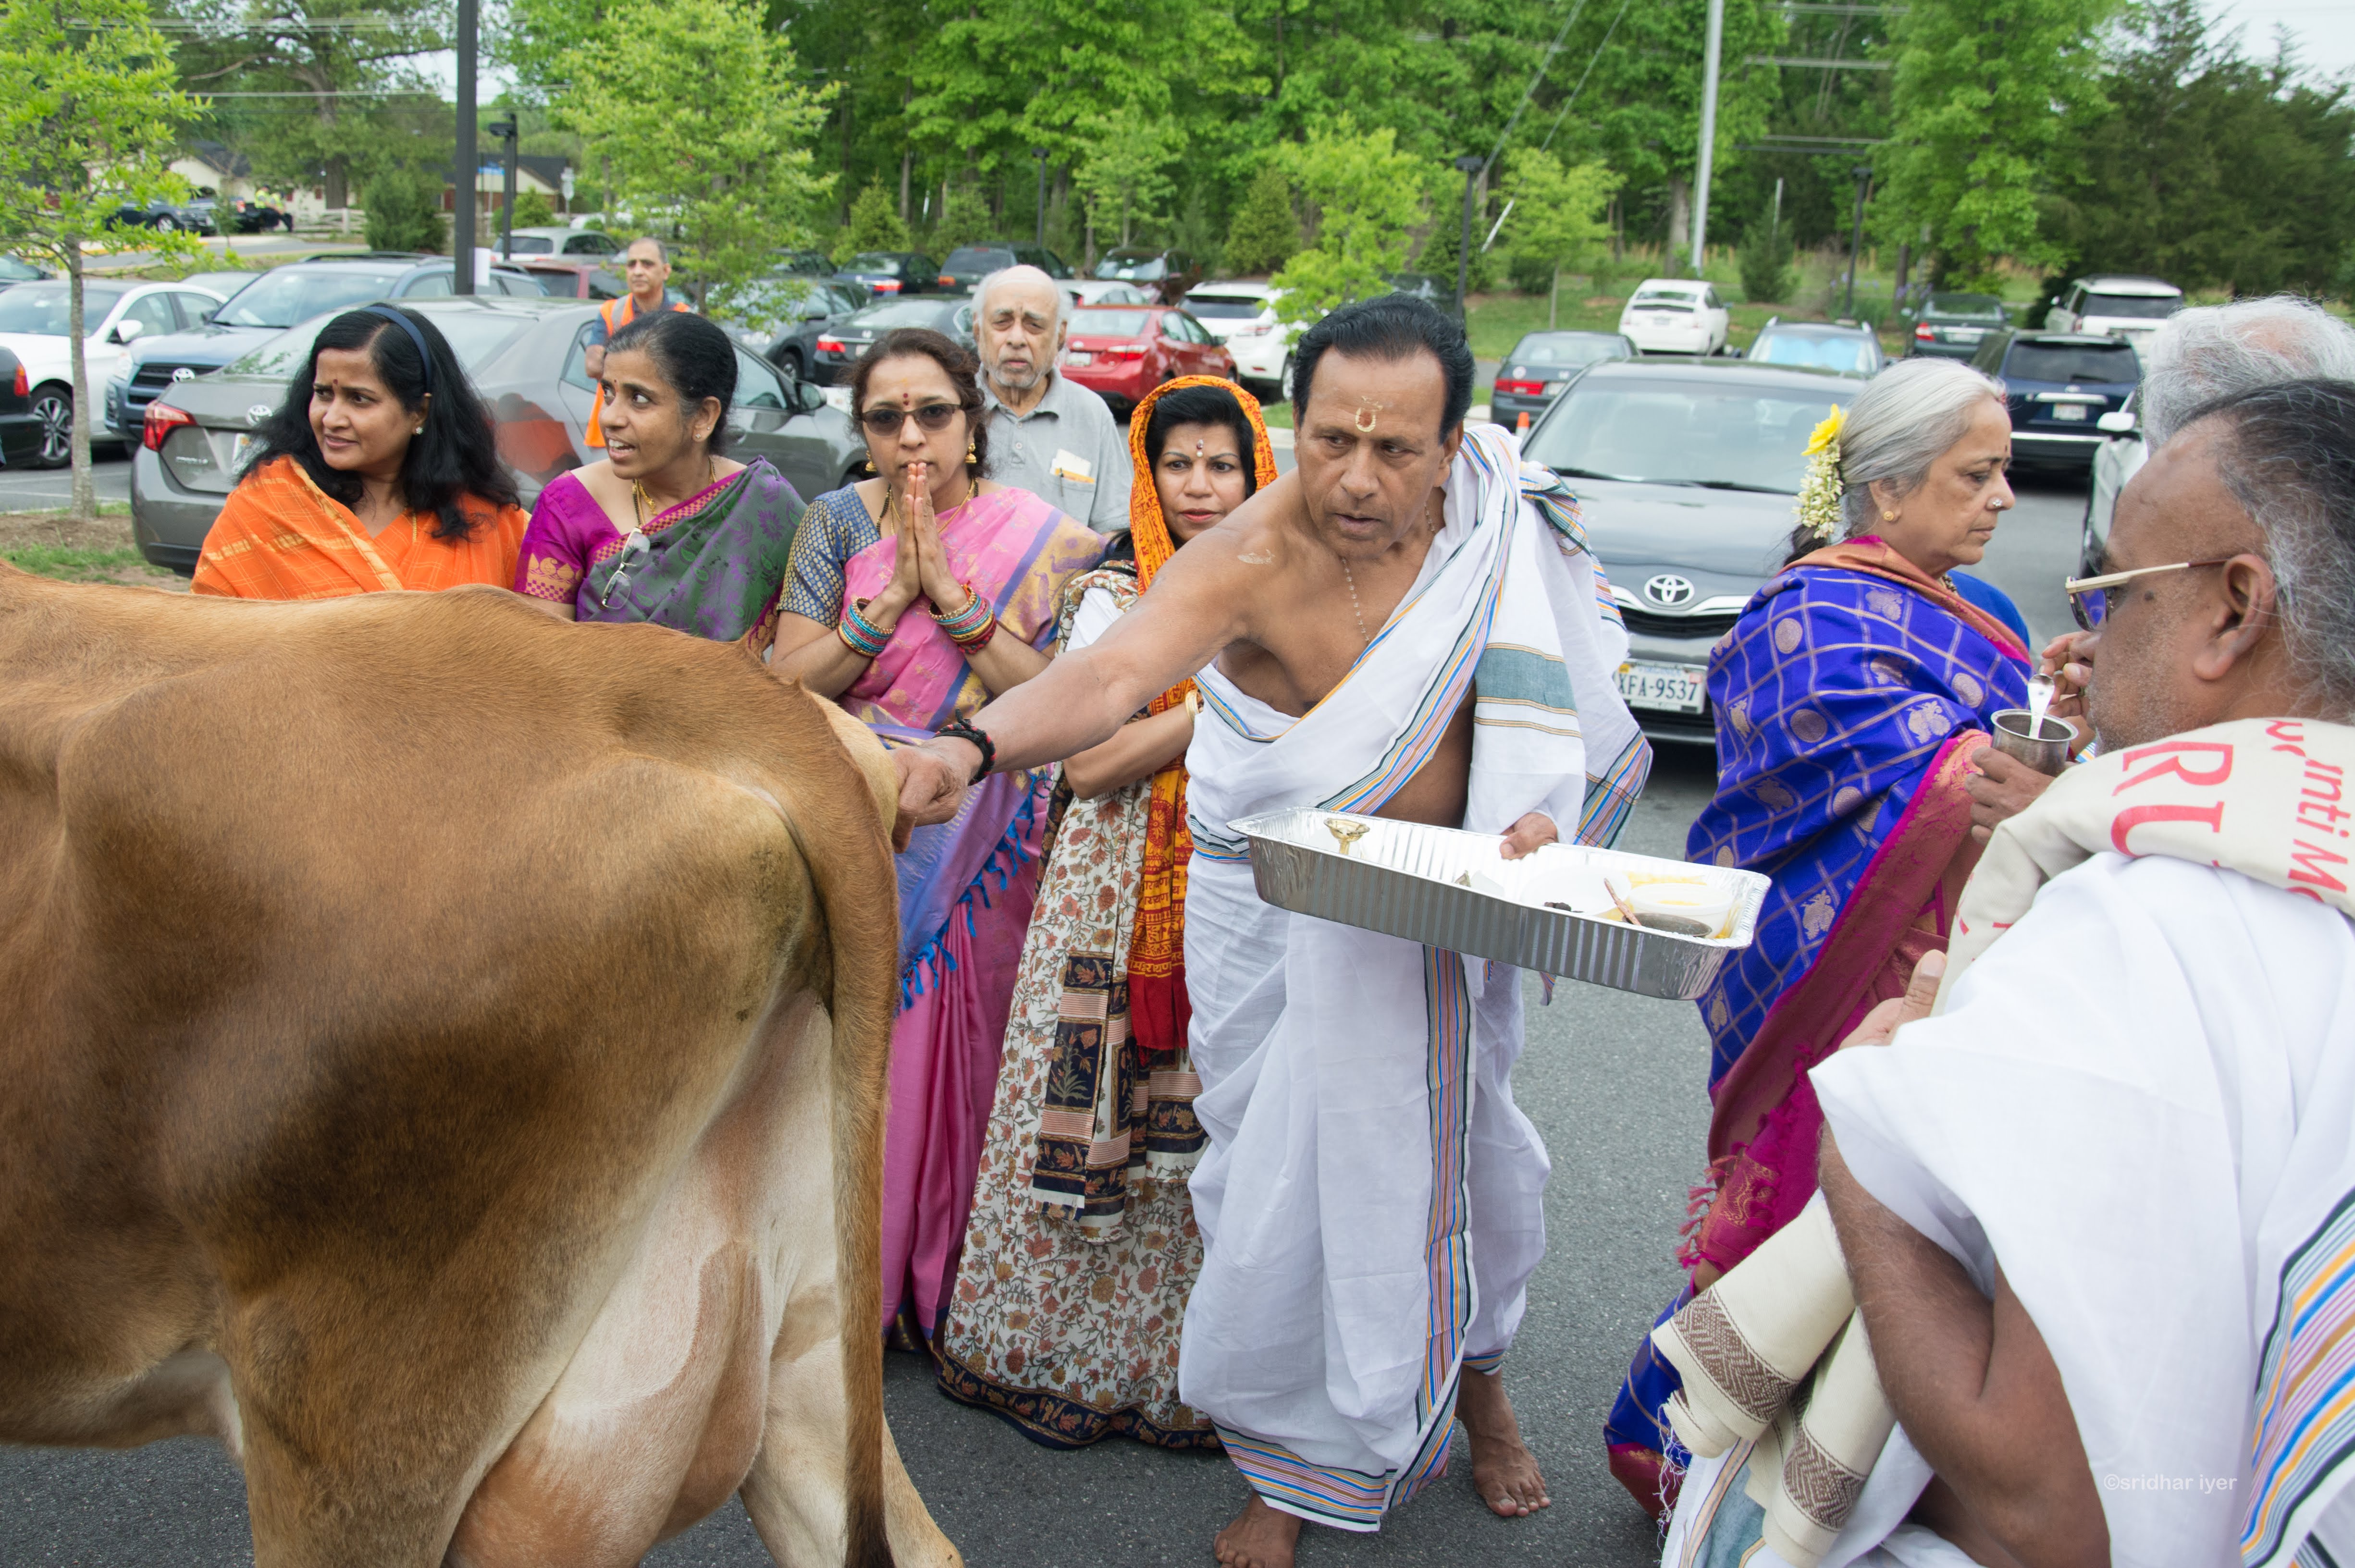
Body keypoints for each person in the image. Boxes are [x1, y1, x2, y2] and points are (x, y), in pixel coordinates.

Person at [889, 295, 1653, 1568]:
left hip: (1444, 914)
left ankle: (1479, 1388)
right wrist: (966, 751)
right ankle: (1284, 1469)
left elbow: (1549, 706)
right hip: (1275, 914)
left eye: (1393, 450)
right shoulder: (1245, 559)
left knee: (1473, 1168)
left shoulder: (1495, 522)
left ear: (1452, 443)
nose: (1355, 478)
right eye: (1330, 440)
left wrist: (1536, 812)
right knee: (1274, 1192)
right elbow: (1106, 676)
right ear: (1296, 425)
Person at [1667, 378, 2355, 1568]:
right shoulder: (2304, 853)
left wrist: (1864, 1143)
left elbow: (2043, 1506)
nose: (2086, 636)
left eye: (2115, 590)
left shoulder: (2143, 934)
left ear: (2234, 609)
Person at [1603, 358, 2033, 1518]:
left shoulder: (1982, 612)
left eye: (2005, 473)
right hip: (1836, 970)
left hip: (1961, 968)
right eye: (1975, 475)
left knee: (1926, 1244)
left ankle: (1863, 1485)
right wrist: (2004, 773)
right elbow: (1912, 785)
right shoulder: (1807, 616)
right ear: (1887, 490)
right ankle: (1688, 1449)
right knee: (1811, 1216)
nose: (2003, 498)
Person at [934, 378, 1277, 1450]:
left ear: (1258, 472)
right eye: (1177, 464)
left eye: (1222, 464)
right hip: (1110, 887)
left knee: (1209, 1120)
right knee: (1085, 1105)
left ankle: (1186, 1378)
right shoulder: (1119, 597)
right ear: (1147, 476)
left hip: (1233, 882)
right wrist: (1223, 708)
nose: (1199, 485)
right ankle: (1046, 1356)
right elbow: (1089, 765)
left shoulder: (1289, 593)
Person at [768, 326, 1104, 1345]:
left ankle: (943, 1275)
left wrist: (953, 599)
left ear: (973, 419)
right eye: (884, 418)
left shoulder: (1041, 537)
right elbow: (785, 681)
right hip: (853, 807)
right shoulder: (834, 523)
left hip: (984, 823)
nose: (909, 436)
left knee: (959, 1044)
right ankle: (834, 1280)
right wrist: (886, 604)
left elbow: (1057, 696)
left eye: (932, 414)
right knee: (836, 1043)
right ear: (862, 429)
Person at [1967, 295, 2355, 845]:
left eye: (2121, 593)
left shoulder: (2155, 875)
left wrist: (2064, 819)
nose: (2100, 636)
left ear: (2234, 611)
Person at [193, 304, 527, 599]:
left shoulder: (488, 522)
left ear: (420, 412)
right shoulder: (267, 504)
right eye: (323, 394)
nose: (331, 419)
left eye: (359, 399)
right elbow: (215, 633)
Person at [513, 311, 801, 639]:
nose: (609, 418)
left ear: (704, 416)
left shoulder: (765, 504)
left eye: (639, 399)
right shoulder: (569, 504)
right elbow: (539, 653)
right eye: (608, 394)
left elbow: (799, 652)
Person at [973, 265, 1133, 533]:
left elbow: (1115, 529)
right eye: (1002, 322)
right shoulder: (950, 409)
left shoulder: (1091, 413)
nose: (1016, 339)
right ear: (978, 328)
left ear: (1060, 335)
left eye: (1034, 326)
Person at [583, 237, 690, 450]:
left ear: (666, 271)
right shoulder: (612, 312)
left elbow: (686, 375)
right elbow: (593, 366)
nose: (638, 271)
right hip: (610, 435)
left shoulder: (684, 318)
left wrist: (618, 361)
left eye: (647, 264)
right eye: (632, 264)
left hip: (662, 436)